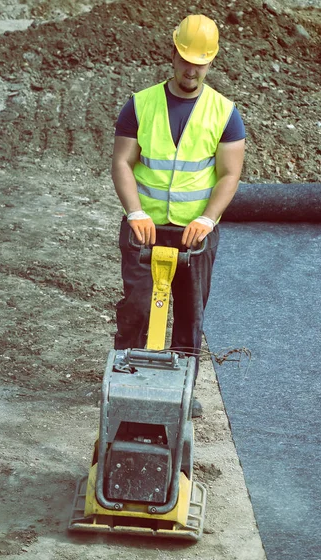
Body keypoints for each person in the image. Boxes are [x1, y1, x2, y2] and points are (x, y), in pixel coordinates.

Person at [111, 14, 245, 412]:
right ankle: (123, 376)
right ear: (172, 53)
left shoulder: (224, 112)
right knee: (138, 304)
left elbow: (230, 173)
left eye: (200, 62)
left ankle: (184, 390)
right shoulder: (139, 105)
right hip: (145, 227)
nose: (192, 69)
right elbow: (122, 162)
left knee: (189, 312)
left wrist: (207, 219)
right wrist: (134, 211)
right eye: (186, 58)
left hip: (194, 233)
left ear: (211, 62)